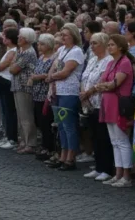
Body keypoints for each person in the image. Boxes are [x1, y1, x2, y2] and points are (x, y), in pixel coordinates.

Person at [95, 34, 135, 187]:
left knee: (122, 140)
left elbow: (114, 84)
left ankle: (126, 175)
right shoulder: (111, 63)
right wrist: (105, 85)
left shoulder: (124, 62)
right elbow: (101, 83)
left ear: (120, 47)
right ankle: (118, 173)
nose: (109, 47)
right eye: (109, 45)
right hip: (108, 103)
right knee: (114, 141)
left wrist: (105, 85)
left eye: (112, 44)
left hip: (118, 104)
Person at [45, 25, 85, 171]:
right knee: (60, 125)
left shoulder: (76, 51)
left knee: (69, 125)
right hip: (58, 91)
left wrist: (51, 77)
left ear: (73, 36)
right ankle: (62, 155)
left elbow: (65, 72)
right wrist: (51, 75)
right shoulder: (62, 50)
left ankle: (70, 158)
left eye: (66, 35)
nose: (62, 37)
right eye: (61, 34)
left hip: (69, 91)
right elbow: (54, 66)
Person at [80, 32, 113, 181]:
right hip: (88, 103)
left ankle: (106, 168)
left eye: (95, 43)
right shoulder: (92, 59)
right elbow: (84, 77)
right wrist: (83, 93)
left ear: (104, 44)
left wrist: (88, 93)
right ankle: (98, 166)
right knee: (94, 136)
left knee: (103, 137)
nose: (92, 46)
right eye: (91, 43)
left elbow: (102, 81)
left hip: (100, 102)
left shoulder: (108, 60)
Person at [10, 27, 38, 154]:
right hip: (18, 85)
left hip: (24, 87)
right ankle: (23, 140)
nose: (18, 38)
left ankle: (30, 143)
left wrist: (13, 63)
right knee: (20, 116)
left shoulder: (28, 53)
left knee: (26, 116)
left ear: (26, 39)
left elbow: (13, 69)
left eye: (20, 36)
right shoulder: (21, 51)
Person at [31, 33, 57, 160]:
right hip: (36, 93)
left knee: (46, 121)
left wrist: (38, 77)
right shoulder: (41, 57)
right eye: (38, 44)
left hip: (46, 93)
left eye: (42, 44)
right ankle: (44, 145)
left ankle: (49, 147)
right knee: (40, 121)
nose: (39, 46)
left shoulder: (53, 59)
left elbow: (49, 75)